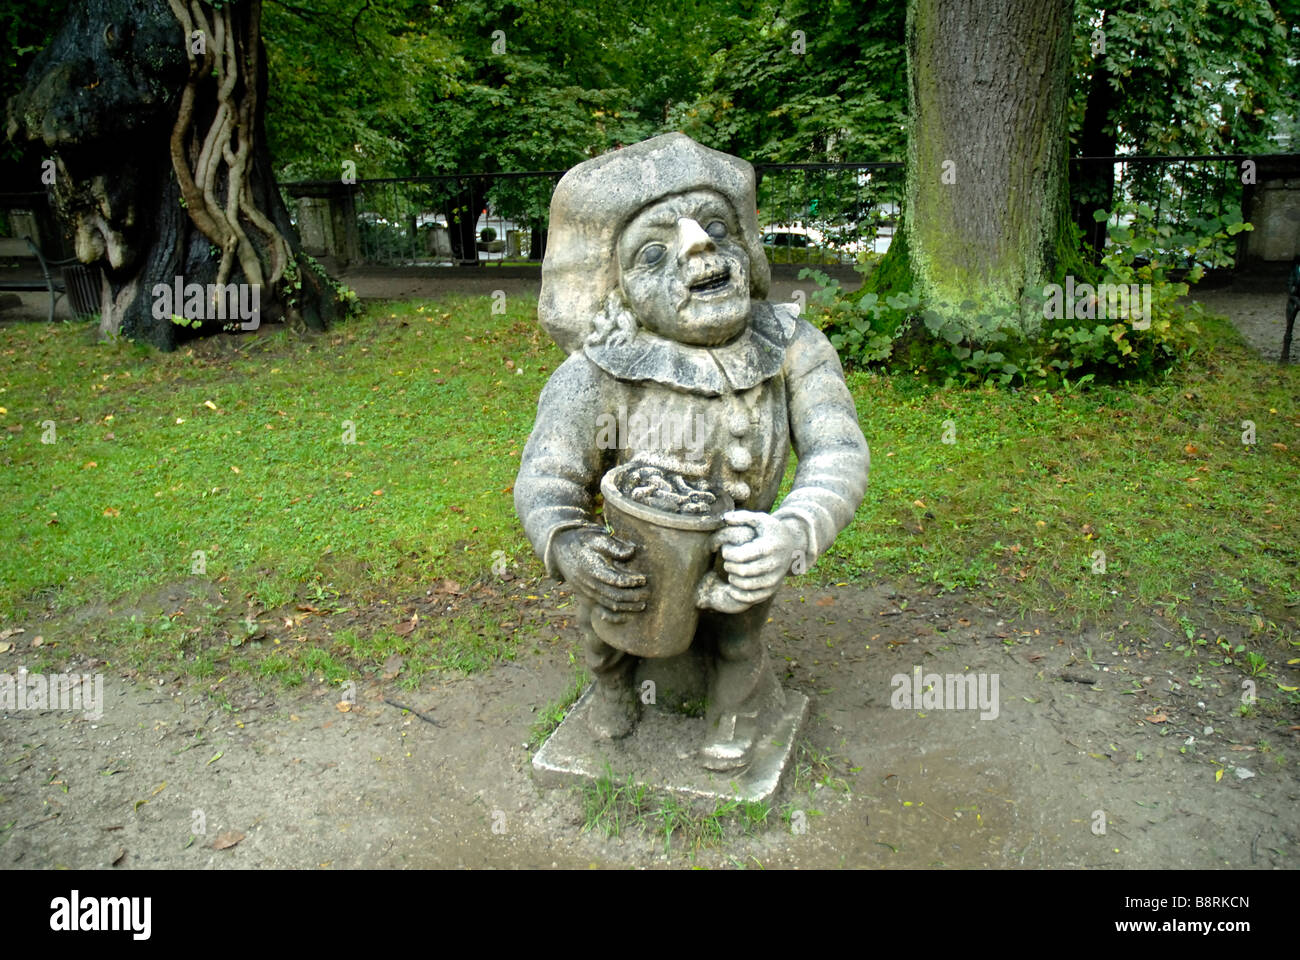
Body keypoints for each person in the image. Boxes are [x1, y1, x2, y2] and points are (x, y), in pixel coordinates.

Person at [515, 133, 869, 770]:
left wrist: (792, 530)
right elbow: (547, 476)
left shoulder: (792, 345)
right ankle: (611, 685)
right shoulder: (598, 370)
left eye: (715, 227)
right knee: (607, 620)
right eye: (654, 249)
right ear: (616, 286)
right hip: (637, 545)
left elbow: (838, 450)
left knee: (741, 638)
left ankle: (732, 714)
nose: (699, 246)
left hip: (742, 537)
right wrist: (567, 544)